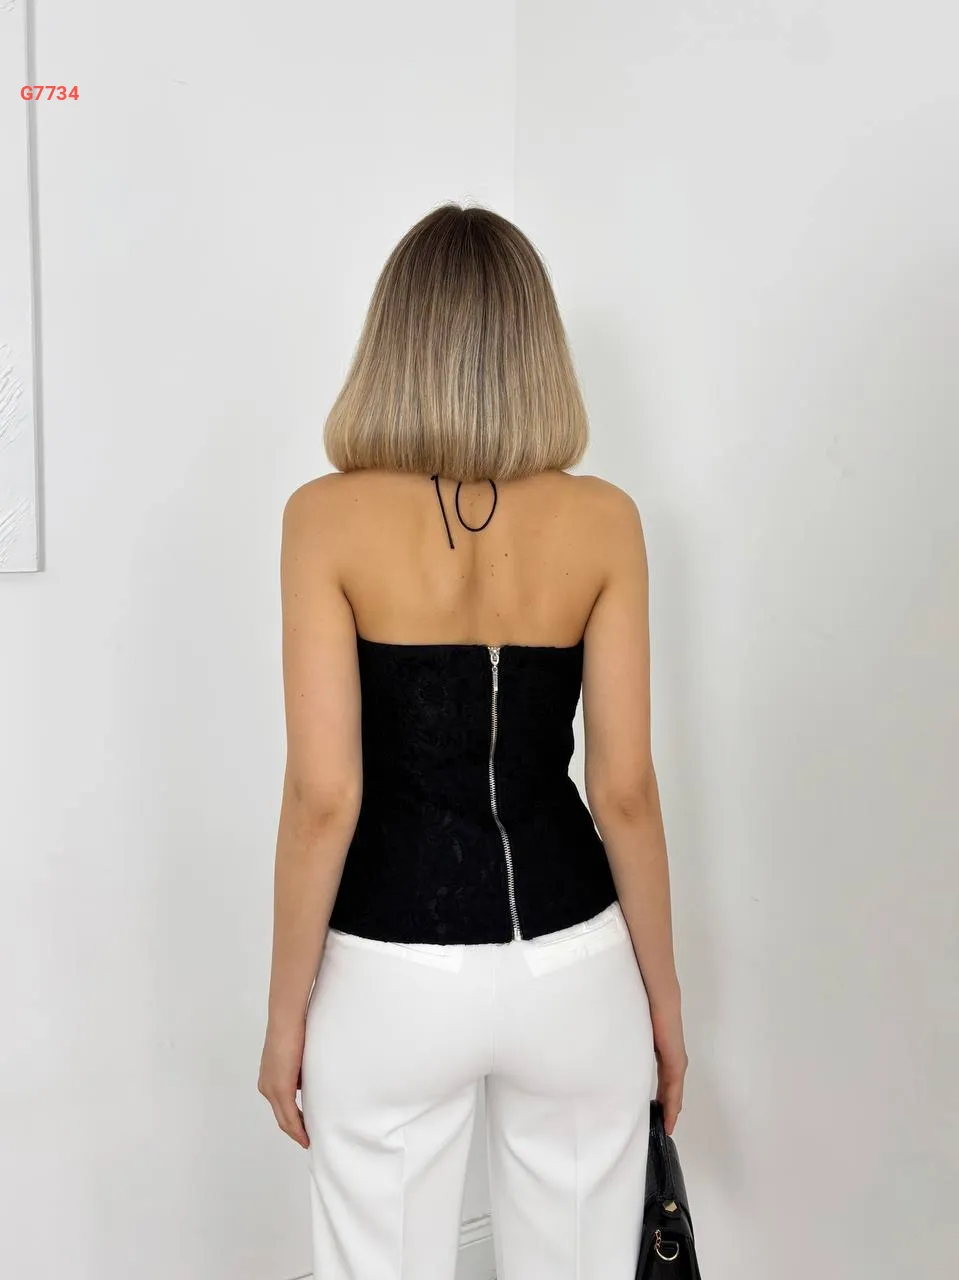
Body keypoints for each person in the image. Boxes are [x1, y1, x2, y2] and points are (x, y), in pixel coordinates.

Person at [257, 202, 688, 1280]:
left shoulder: (324, 518)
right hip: (576, 965)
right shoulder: (604, 520)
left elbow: (323, 796)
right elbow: (624, 790)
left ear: (394, 339)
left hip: (390, 971)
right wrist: (661, 1004)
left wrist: (282, 1016)